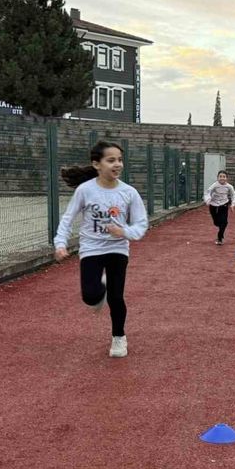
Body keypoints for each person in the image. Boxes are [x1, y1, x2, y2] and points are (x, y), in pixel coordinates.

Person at [54, 141, 148, 358]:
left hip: (118, 248)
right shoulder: (85, 190)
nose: (118, 164)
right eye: (111, 160)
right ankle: (100, 288)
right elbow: (68, 218)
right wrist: (60, 243)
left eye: (120, 160)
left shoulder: (129, 192)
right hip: (91, 248)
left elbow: (141, 224)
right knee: (90, 297)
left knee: (116, 297)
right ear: (97, 164)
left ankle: (119, 337)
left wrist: (124, 232)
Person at [203, 170, 235, 245]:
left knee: (224, 222)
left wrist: (232, 205)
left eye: (224, 177)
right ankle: (219, 226)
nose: (222, 178)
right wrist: (207, 200)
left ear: (227, 178)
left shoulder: (229, 186)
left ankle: (220, 238)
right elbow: (207, 192)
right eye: (220, 176)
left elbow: (233, 195)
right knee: (216, 223)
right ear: (217, 178)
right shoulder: (214, 185)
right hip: (213, 205)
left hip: (224, 204)